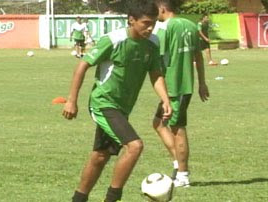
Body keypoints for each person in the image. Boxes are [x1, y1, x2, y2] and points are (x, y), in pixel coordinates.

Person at [62, 1, 172, 201]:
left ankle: (78, 199)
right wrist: (72, 100)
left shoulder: (153, 43)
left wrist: (165, 99)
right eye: (145, 23)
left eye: (153, 23)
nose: (150, 28)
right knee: (135, 146)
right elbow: (82, 66)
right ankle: (112, 198)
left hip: (123, 108)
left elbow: (156, 73)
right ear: (131, 20)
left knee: (100, 156)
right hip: (104, 103)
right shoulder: (113, 40)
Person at [153, 0, 210, 188]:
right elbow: (198, 56)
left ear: (162, 8)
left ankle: (183, 175)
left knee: (177, 129)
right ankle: (178, 163)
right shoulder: (190, 25)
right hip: (186, 85)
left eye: (156, 10)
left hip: (173, 86)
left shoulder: (165, 28)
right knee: (159, 123)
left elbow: (158, 57)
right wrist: (202, 82)